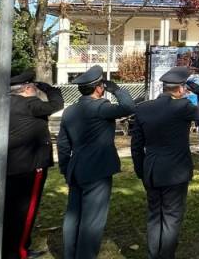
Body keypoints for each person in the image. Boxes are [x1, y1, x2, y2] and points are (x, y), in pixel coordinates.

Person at [130, 66, 199, 259]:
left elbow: (136, 145)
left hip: (151, 171)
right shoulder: (183, 106)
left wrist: (141, 171)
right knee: (171, 217)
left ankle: (155, 256)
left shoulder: (143, 108)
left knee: (154, 217)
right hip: (175, 172)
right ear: (179, 89)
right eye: (185, 88)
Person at [57, 65, 136, 259]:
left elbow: (63, 144)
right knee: (93, 219)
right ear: (99, 88)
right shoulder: (101, 107)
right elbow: (129, 107)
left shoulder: (70, 111)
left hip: (76, 168)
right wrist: (116, 90)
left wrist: (66, 169)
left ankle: (70, 254)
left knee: (73, 215)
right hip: (97, 170)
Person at [3, 70, 64, 259]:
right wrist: (50, 89)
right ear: (28, 88)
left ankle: (8, 248)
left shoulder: (5, 104)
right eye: (34, 87)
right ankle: (19, 252)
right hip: (31, 166)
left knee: (11, 211)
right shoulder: (30, 103)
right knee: (26, 211)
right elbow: (56, 104)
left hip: (11, 166)